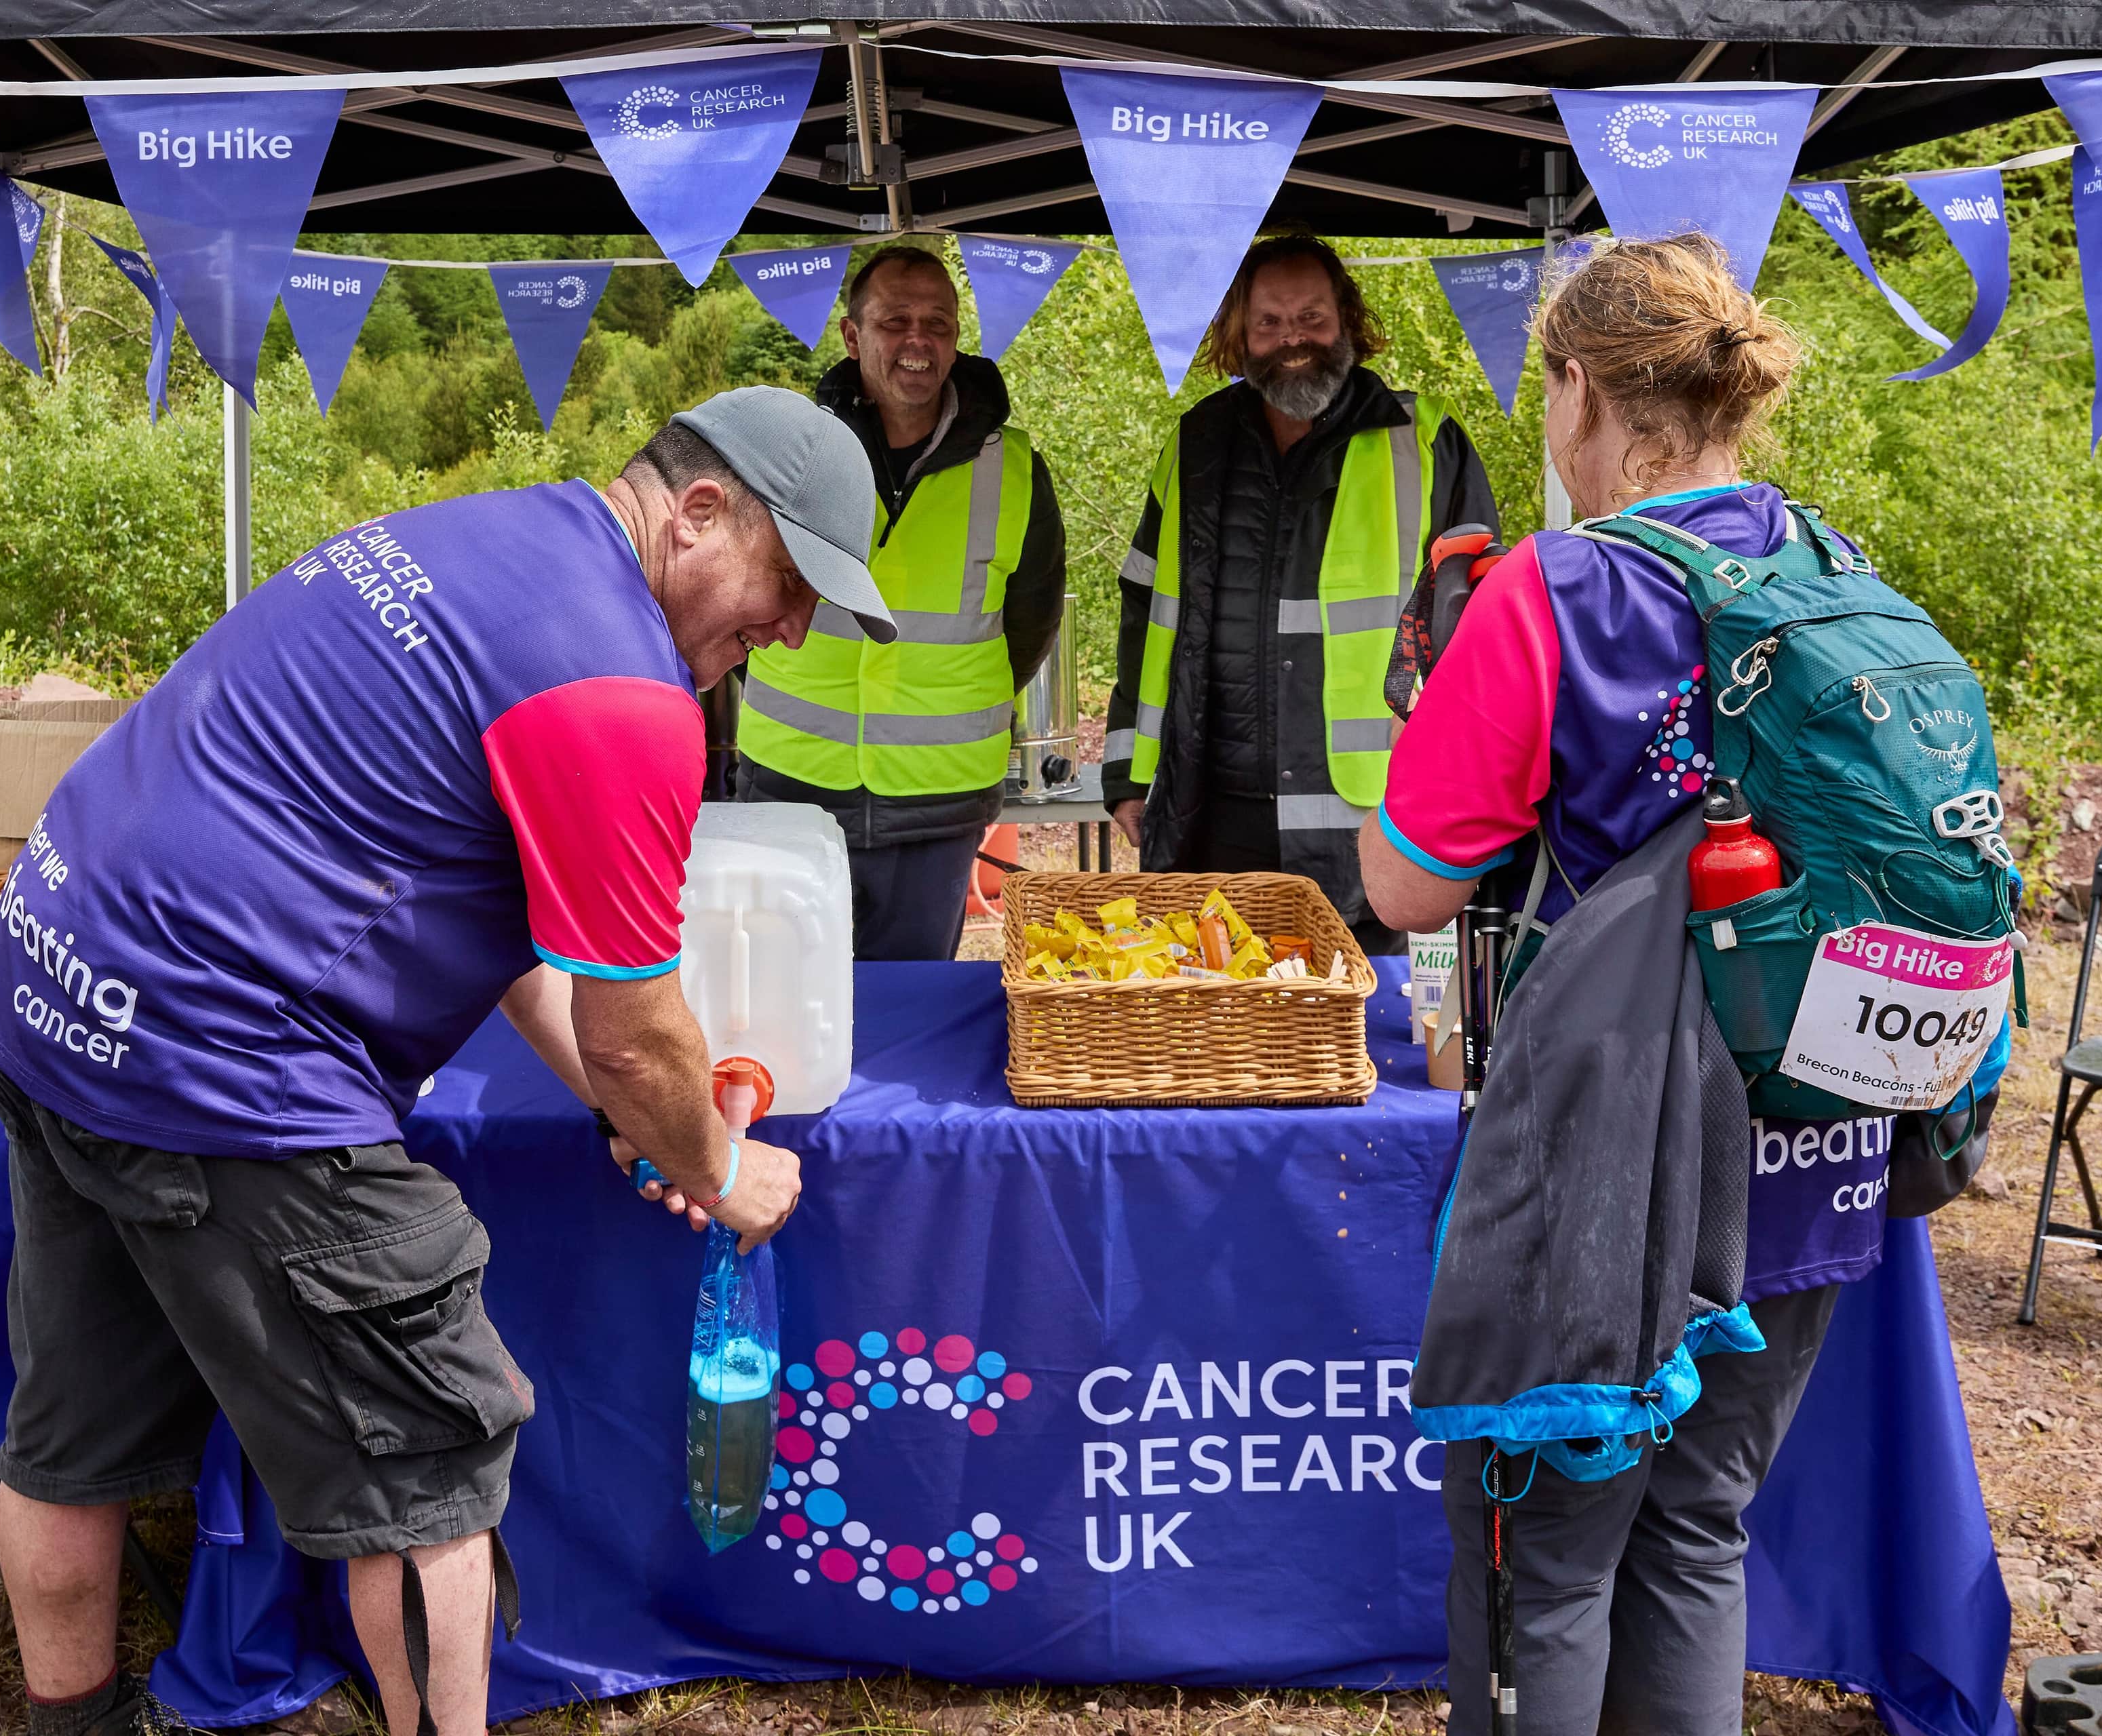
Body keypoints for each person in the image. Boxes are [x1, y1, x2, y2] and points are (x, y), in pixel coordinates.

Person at [0, 387, 893, 1736]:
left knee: (68, 1436)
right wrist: (721, 1163)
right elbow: (644, 1031)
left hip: (53, 980)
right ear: (700, 510)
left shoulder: (486, 541)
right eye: (791, 581)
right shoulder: (622, 688)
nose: (793, 629)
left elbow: (506, 926)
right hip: (225, 1052)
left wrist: (629, 1110)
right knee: (431, 1472)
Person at [1357, 235, 1876, 1734]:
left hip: (1618, 1159)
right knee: (1700, 1528)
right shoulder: (1829, 565)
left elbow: (1405, 885)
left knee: (1547, 1564)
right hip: (1808, 1133)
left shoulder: (1556, 590)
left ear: (1577, 387)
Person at [1104, 233, 1495, 955]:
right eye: (1270, 323)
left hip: (1373, 820)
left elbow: (1478, 633)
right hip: (1210, 817)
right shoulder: (1196, 444)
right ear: (1239, 334)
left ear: (1346, 320)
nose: (1293, 342)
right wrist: (1128, 776)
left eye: (1311, 318)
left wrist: (1461, 788)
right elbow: (1144, 612)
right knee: (1221, 1043)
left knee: (1363, 1050)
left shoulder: (1425, 440)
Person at [735, 245, 1067, 960]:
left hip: (935, 801)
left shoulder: (1013, 469)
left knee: (911, 1016)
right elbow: (733, 601)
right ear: (853, 338)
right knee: (781, 1007)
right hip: (790, 787)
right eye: (895, 321)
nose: (918, 340)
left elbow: (1031, 623)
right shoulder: (785, 455)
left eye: (938, 324)